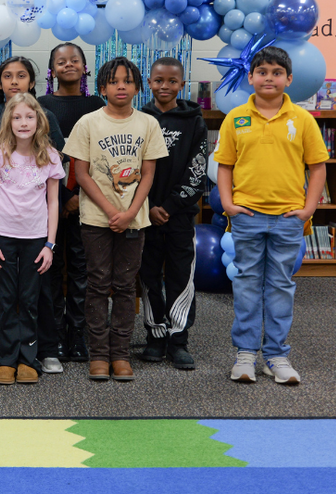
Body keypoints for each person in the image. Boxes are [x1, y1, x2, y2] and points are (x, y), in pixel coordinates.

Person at [215, 46, 327, 385]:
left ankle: (276, 355)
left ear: (289, 79)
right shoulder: (236, 118)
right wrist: (228, 204)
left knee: (280, 286)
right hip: (247, 216)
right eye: (262, 71)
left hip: (288, 218)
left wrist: (308, 209)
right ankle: (245, 355)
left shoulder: (302, 120)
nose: (269, 78)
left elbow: (318, 167)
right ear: (250, 78)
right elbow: (224, 166)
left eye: (277, 73)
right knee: (247, 285)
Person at [63, 57, 167, 383]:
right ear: (102, 87)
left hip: (134, 220)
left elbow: (149, 174)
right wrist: (111, 212)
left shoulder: (148, 123)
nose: (121, 86)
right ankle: (98, 354)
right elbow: (80, 173)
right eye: (114, 81)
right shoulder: (88, 123)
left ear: (137, 86)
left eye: (127, 81)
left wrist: (132, 212)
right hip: (96, 219)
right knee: (96, 284)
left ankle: (120, 354)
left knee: (124, 286)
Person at [0, 55, 65, 373]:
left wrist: (50, 245)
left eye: (30, 117)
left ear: (39, 121)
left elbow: (53, 202)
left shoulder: (50, 158)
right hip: (2, 235)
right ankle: (6, 358)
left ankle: (28, 359)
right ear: (9, 122)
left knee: (30, 299)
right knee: (5, 299)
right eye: (17, 118)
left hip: (36, 238)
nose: (24, 123)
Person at [37, 42, 106, 364]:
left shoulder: (96, 104)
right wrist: (62, 197)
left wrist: (79, 196)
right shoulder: (41, 105)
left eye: (74, 60)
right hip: (47, 202)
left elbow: (100, 156)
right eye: (61, 61)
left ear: (84, 67)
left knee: (82, 271)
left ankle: (78, 336)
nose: (68, 65)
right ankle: (53, 339)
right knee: (50, 271)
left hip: (88, 201)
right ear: (51, 70)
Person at [138, 57, 208, 370]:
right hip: (145, 215)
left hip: (179, 216)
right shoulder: (139, 118)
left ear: (181, 84)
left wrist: (168, 206)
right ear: (149, 82)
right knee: (149, 274)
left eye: (171, 81)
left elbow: (198, 170)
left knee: (181, 276)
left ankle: (178, 340)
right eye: (158, 80)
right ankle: (155, 337)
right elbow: (133, 169)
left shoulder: (194, 120)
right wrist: (149, 206)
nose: (164, 86)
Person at [0, 56, 64, 151]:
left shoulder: (45, 116)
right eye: (7, 76)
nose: (14, 82)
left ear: (31, 84)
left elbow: (60, 156)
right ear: (0, 84)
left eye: (21, 76)